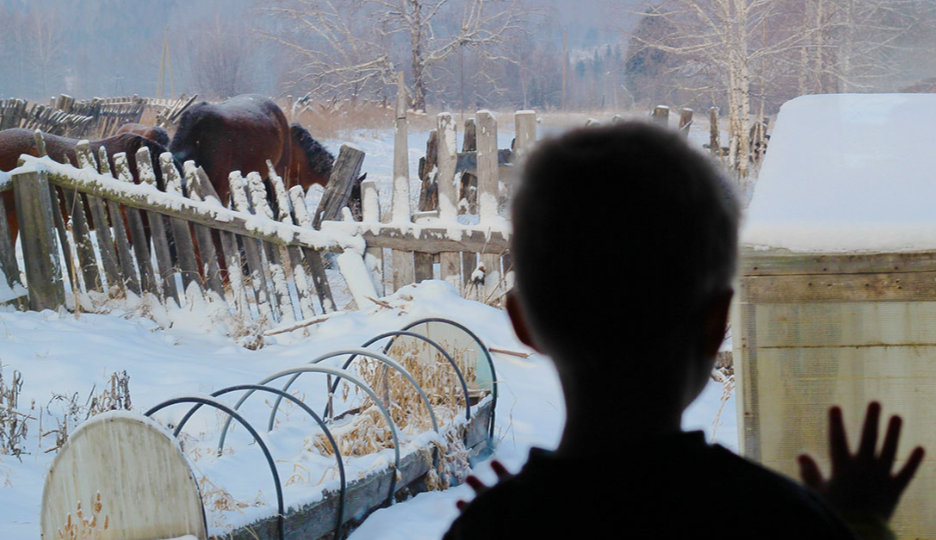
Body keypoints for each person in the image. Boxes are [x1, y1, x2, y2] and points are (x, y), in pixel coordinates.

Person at [442, 122, 924, 540]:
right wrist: (854, 522)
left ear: (524, 324)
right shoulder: (774, 520)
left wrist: (507, 515)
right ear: (716, 323)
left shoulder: (494, 528)